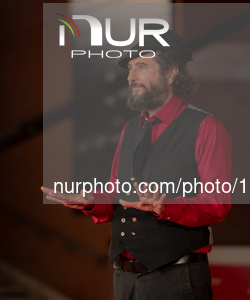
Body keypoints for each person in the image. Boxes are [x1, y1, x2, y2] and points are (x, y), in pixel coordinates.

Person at [42, 29, 232, 300]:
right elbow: (118, 194)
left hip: (175, 278)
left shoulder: (206, 127)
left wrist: (165, 207)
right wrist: (90, 201)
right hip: (125, 278)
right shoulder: (130, 129)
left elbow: (217, 203)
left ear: (170, 73)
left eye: (142, 66)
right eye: (130, 68)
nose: (131, 76)